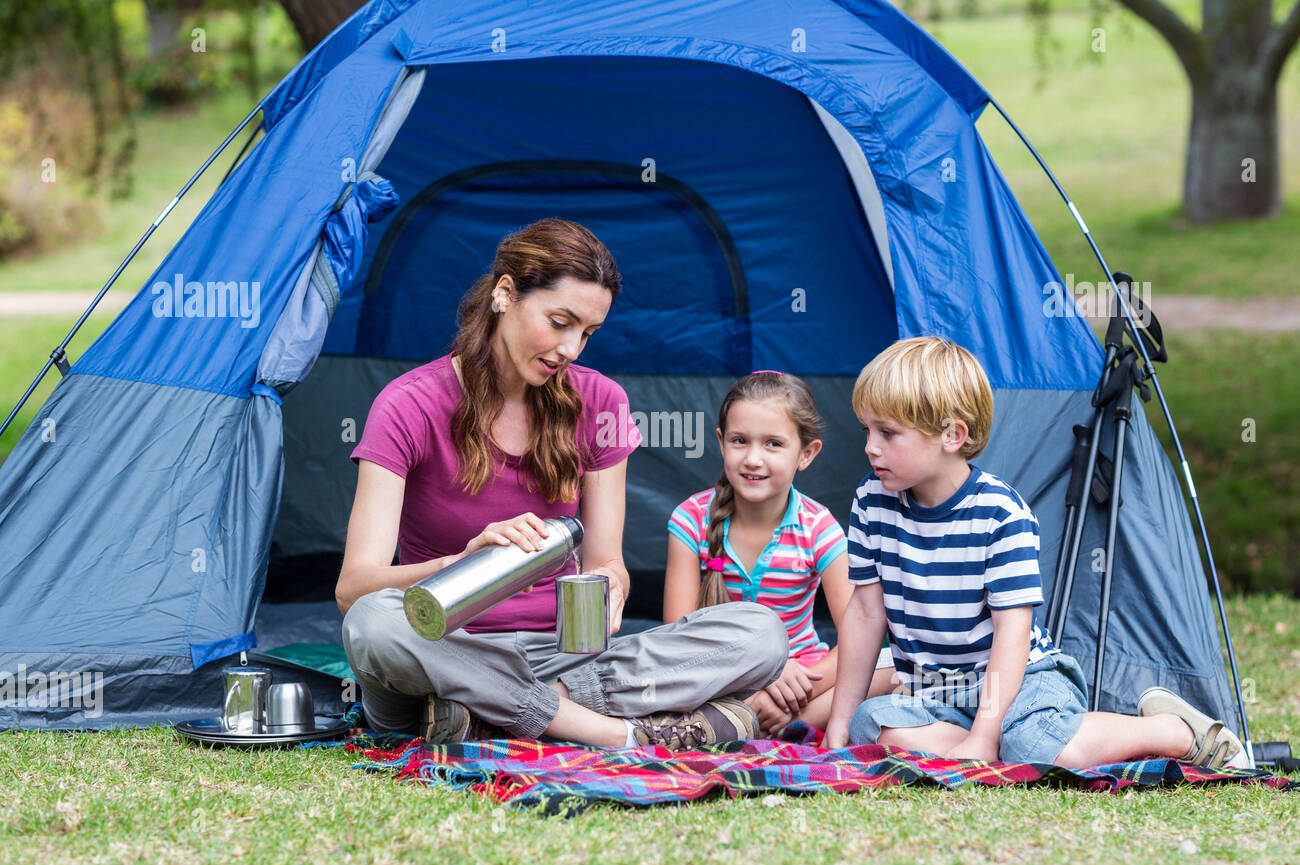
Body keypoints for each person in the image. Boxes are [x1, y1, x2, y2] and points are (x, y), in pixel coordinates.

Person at [336, 219, 787, 752]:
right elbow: (352, 590)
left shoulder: (602, 403)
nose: (571, 348)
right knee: (374, 623)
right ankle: (605, 730)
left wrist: (611, 586)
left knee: (759, 632)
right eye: (559, 322)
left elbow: (605, 561)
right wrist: (460, 561)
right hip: (442, 647)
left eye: (588, 333)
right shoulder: (408, 405)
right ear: (505, 293)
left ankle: (489, 717)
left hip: (561, 655)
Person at [823, 336, 1244, 769]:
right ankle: (997, 747)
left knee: (1034, 746)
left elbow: (1012, 635)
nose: (871, 446)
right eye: (867, 430)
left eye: (888, 433)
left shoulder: (1000, 514)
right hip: (937, 694)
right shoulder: (872, 501)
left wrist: (986, 733)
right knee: (868, 723)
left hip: (1023, 680)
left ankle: (1170, 730)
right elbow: (867, 613)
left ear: (952, 435)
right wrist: (837, 722)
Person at [663, 371, 897, 737]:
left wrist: (788, 690)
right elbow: (676, 639)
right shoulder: (690, 520)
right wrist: (764, 672)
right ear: (722, 443)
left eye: (773, 444)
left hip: (800, 685)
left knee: (888, 668)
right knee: (660, 678)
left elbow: (858, 635)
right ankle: (760, 723)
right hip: (716, 679)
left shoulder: (819, 528)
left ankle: (766, 722)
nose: (753, 459)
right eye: (740, 441)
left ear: (806, 453)